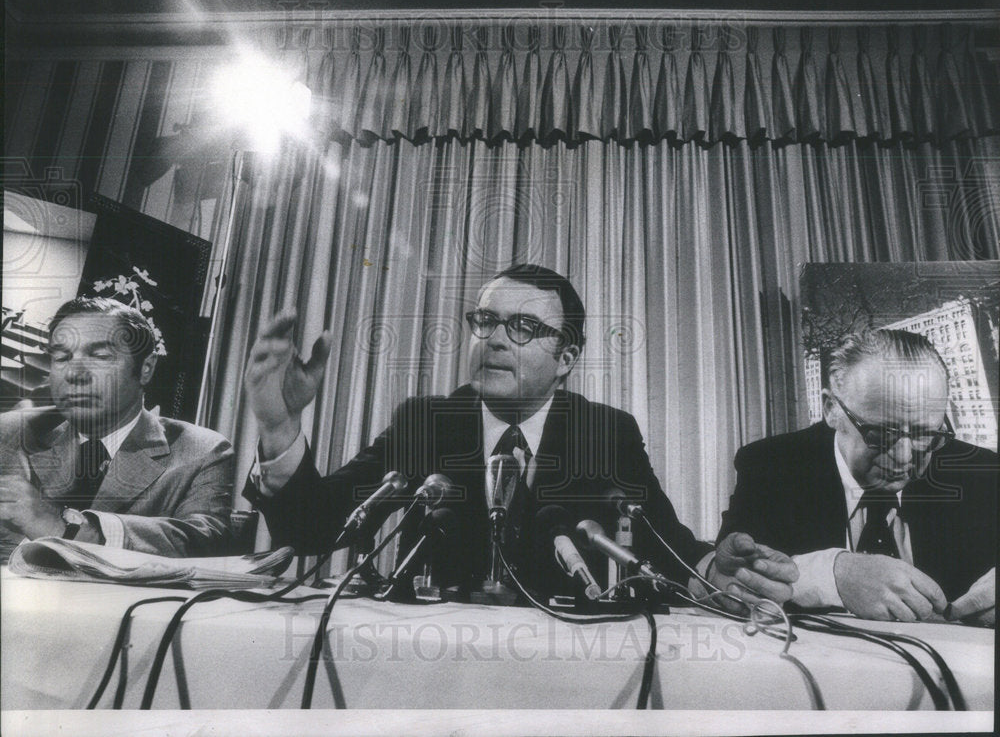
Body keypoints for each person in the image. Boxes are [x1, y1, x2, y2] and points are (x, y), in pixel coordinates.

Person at [243, 264, 796, 606]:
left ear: (566, 359)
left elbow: (665, 544)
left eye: (525, 328)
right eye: (485, 322)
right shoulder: (429, 420)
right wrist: (279, 425)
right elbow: (317, 529)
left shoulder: (604, 432)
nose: (496, 340)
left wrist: (708, 572)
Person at [719, 329, 997, 626]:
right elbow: (729, 577)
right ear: (831, 410)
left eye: (925, 434)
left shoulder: (984, 473)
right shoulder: (773, 466)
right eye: (880, 434)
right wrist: (836, 575)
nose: (904, 457)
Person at [0, 297, 234, 559]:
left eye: (100, 356)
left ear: (145, 368)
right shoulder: (9, 433)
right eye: (62, 357)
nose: (74, 374)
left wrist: (62, 527)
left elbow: (205, 544)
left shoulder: (202, 451)